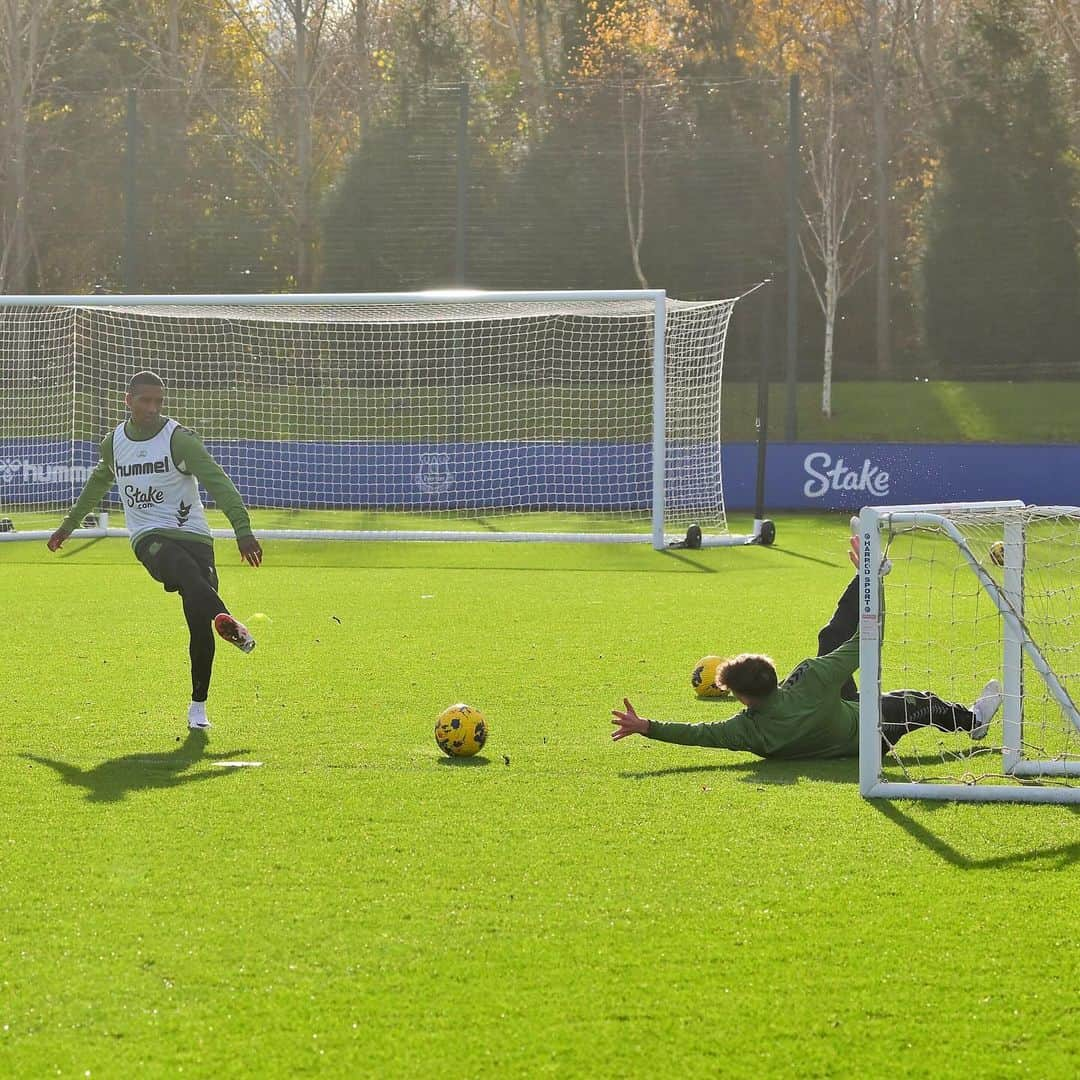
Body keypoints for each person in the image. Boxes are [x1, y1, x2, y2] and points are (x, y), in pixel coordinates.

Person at [610, 537, 1003, 760]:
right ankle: (974, 721)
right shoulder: (811, 679)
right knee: (916, 701)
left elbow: (699, 734)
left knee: (830, 641)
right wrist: (874, 584)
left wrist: (646, 727)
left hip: (834, 716)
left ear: (743, 699)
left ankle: (864, 576)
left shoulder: (746, 731)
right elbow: (868, 641)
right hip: (870, 733)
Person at [47, 370, 262, 732]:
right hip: (149, 537)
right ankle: (227, 619)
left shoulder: (179, 440)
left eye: (158, 401)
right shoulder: (113, 443)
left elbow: (218, 482)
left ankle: (198, 710)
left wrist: (243, 531)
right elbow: (97, 484)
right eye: (145, 400)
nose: (152, 408)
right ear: (128, 400)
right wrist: (68, 526)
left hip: (195, 537)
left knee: (198, 620)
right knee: (182, 570)